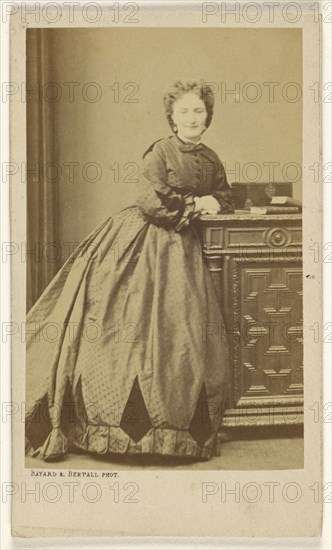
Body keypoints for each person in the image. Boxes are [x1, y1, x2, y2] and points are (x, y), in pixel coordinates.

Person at [25, 79, 235, 462]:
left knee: (183, 330)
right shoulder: (160, 151)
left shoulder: (212, 157)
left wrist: (214, 201)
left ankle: (181, 426)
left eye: (198, 111)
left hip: (185, 246)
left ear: (208, 117)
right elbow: (151, 198)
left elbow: (224, 193)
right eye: (184, 111)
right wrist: (192, 207)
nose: (192, 118)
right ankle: (117, 427)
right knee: (130, 325)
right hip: (144, 241)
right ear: (172, 117)